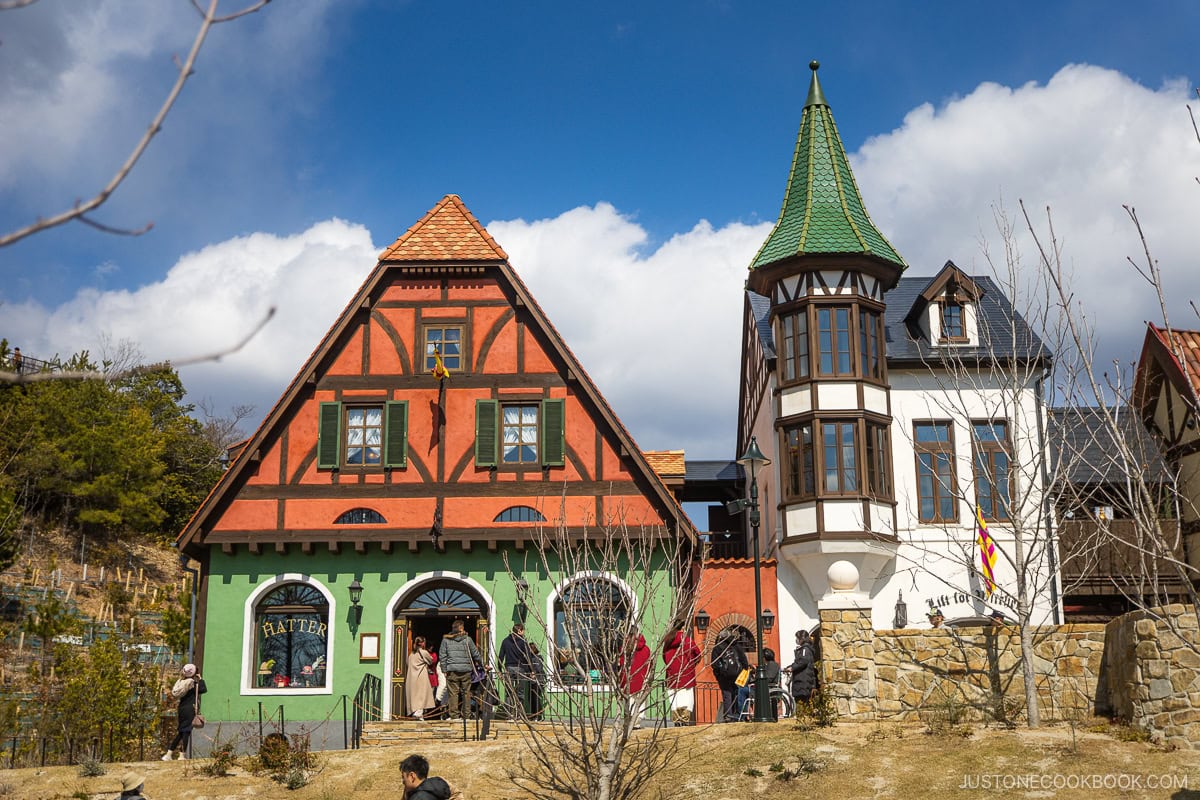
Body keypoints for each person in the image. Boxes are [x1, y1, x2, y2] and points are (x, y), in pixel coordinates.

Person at [438, 619, 482, 720]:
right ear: (461, 629)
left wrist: (444, 669)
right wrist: (481, 665)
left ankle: (454, 716)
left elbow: (442, 655)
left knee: (453, 693)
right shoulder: (467, 640)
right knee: (466, 693)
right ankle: (466, 715)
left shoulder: (446, 640)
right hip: (466, 670)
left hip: (452, 670)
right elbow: (475, 654)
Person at [163, 663, 206, 760]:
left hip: (182, 709)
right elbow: (203, 689)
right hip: (189, 709)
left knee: (181, 732)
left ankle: (169, 754)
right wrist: (200, 678)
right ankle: (182, 755)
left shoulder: (181, 682)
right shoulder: (192, 684)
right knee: (186, 731)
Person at [662, 623, 700, 726]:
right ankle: (684, 720)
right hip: (686, 673)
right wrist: (691, 665)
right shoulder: (687, 641)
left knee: (675, 697)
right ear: (683, 628)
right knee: (687, 697)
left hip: (672, 674)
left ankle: (677, 721)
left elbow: (664, 656)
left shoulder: (668, 641)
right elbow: (698, 654)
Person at [710, 628, 748, 723]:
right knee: (737, 693)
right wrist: (743, 670)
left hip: (724, 676)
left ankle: (728, 715)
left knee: (727, 694)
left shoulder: (717, 648)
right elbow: (744, 660)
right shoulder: (736, 645)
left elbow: (714, 664)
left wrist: (719, 674)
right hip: (738, 674)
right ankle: (736, 714)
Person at [498, 623, 534, 717]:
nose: (524, 632)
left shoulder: (505, 641)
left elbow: (500, 656)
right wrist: (531, 671)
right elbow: (528, 657)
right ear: (519, 631)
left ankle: (509, 714)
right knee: (520, 692)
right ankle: (519, 714)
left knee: (508, 692)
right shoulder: (523, 642)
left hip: (508, 668)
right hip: (520, 668)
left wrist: (499, 670)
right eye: (523, 630)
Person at [737, 646, 781, 721]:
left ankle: (743, 715)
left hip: (767, 689)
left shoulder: (772, 665)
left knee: (742, 691)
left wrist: (756, 676)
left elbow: (768, 678)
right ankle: (744, 713)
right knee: (742, 688)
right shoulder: (767, 665)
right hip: (761, 688)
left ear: (765, 657)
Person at [618, 630, 652, 728]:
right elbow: (650, 665)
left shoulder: (624, 650)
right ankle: (636, 722)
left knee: (629, 702)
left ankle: (629, 722)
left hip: (627, 680)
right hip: (642, 680)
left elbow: (621, 666)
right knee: (639, 702)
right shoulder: (646, 649)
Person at [406, 636, 436, 719]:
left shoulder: (411, 654)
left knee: (414, 696)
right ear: (423, 643)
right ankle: (419, 714)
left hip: (412, 677)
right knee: (421, 695)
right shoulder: (423, 652)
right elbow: (431, 661)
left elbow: (407, 663)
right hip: (421, 676)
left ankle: (414, 712)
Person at [789, 630, 817, 707]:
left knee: (802, 703)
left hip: (803, 681)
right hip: (803, 681)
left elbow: (803, 661)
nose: (796, 640)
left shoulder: (805, 649)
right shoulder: (805, 649)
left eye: (797, 638)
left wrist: (792, 668)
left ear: (801, 639)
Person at [526, 640, 546, 719]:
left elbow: (539, 668)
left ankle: (537, 716)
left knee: (535, 698)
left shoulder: (537, 658)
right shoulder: (531, 658)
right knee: (531, 698)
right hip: (533, 681)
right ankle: (534, 715)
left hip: (537, 681)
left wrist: (534, 673)